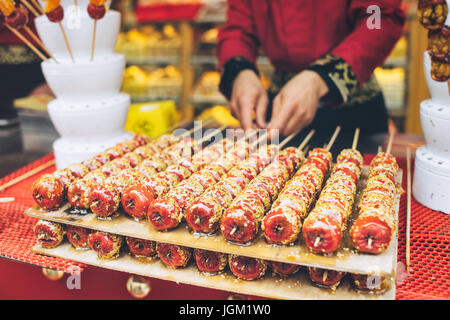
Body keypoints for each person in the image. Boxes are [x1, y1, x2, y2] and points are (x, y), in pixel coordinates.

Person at [217, 0, 406, 143]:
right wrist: (240, 71)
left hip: (354, 110)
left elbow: (378, 18)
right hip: (279, 110)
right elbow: (238, 26)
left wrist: (321, 78)